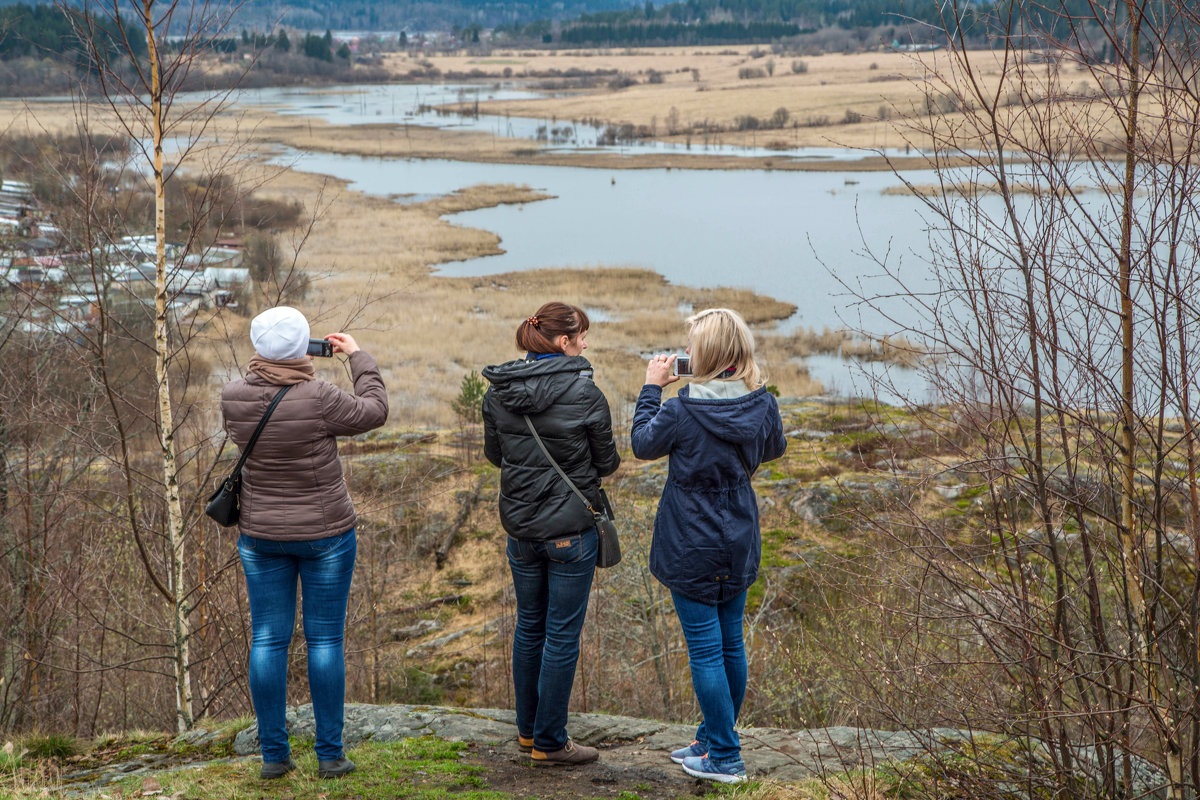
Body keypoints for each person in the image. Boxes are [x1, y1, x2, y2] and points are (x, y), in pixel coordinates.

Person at [221, 306, 388, 780]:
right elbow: (375, 411)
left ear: (259, 348)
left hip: (261, 535)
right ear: (302, 349)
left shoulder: (233, 397)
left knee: (268, 640)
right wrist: (358, 358)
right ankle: (330, 755)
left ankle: (274, 756)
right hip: (326, 535)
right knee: (325, 640)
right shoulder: (319, 396)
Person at [631, 308, 787, 784]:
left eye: (694, 347)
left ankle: (724, 755)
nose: (687, 354)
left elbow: (640, 444)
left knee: (705, 651)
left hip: (690, 543)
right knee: (730, 643)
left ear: (710, 355)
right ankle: (709, 738)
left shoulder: (681, 409)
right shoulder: (762, 404)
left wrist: (653, 387)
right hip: (738, 537)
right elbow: (774, 448)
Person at [482, 301, 620, 767]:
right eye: (582, 335)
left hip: (521, 530)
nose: (586, 343)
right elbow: (608, 464)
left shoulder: (498, 392)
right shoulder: (587, 395)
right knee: (561, 635)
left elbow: (496, 456)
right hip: (570, 534)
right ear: (564, 342)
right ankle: (550, 742)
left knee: (529, 627)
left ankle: (527, 734)